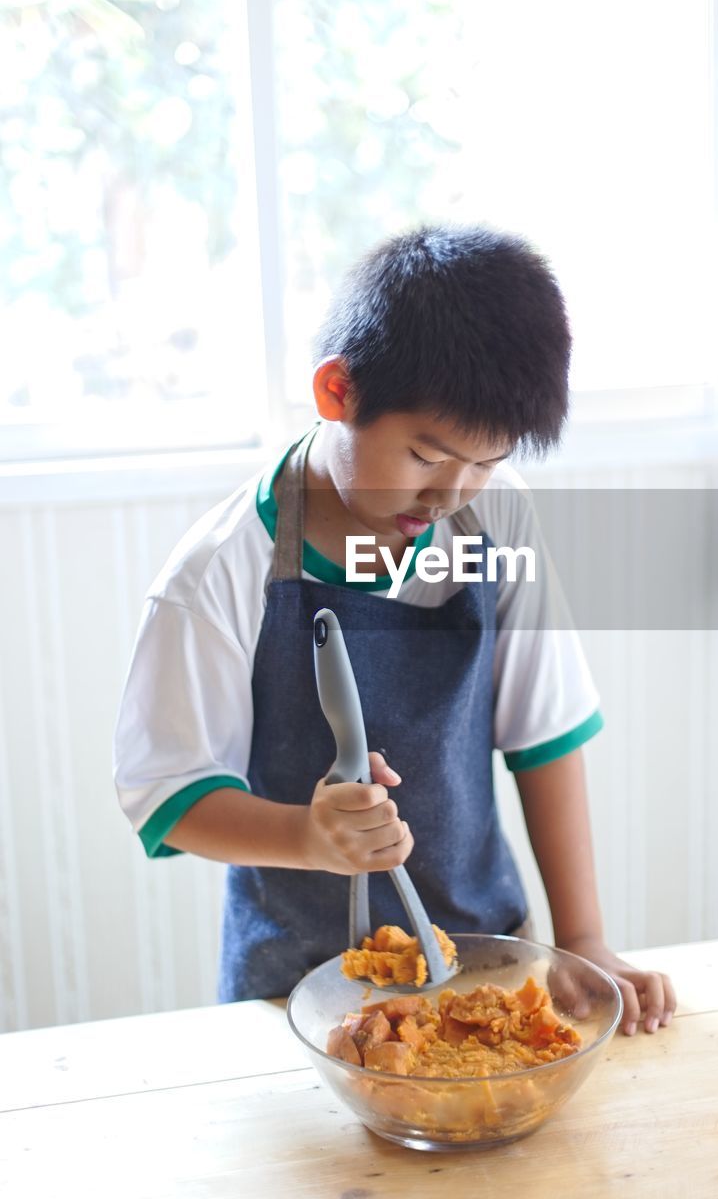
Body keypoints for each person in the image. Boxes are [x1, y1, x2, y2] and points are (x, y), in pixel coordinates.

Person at [114, 223, 676, 1034]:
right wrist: (310, 837)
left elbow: (543, 736)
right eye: (424, 455)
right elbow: (167, 793)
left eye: (485, 462)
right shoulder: (219, 570)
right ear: (337, 393)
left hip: (486, 962)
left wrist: (583, 941)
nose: (452, 492)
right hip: (294, 991)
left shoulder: (496, 518)